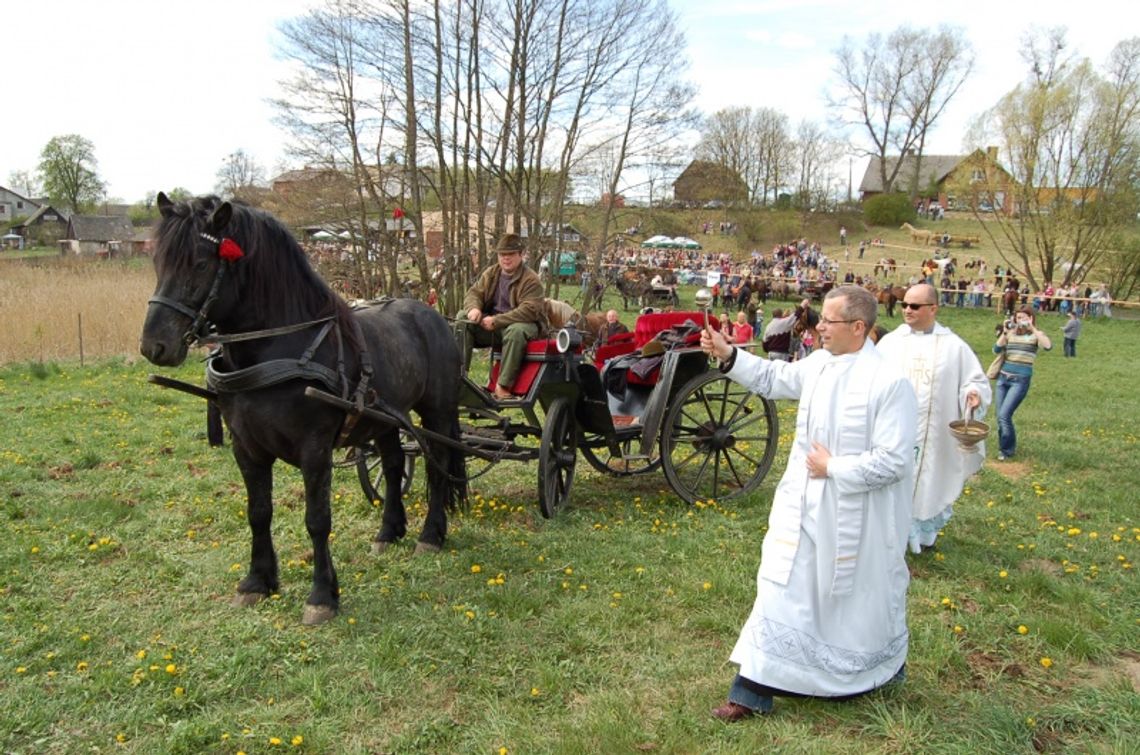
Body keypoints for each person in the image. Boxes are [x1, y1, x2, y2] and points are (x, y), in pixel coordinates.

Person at [701, 285, 917, 722]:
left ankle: (875, 669)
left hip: (855, 515)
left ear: (858, 327)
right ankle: (752, 691)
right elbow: (772, 379)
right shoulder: (819, 364)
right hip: (801, 505)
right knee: (780, 588)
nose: (819, 327)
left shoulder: (890, 383)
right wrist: (729, 354)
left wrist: (835, 468)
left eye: (829, 321)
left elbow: (894, 460)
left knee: (860, 599)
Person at [876, 284, 991, 553]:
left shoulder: (954, 347)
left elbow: (974, 380)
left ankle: (923, 537)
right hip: (894, 430)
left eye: (914, 306)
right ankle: (889, 536)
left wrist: (972, 395)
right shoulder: (891, 342)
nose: (906, 310)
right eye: (904, 304)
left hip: (933, 434)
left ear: (933, 309)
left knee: (928, 480)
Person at [460, 233, 547, 400]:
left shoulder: (531, 279)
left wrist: (497, 320)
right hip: (493, 326)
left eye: (511, 254)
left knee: (516, 331)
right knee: (463, 318)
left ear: (521, 255)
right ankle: (459, 376)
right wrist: (474, 309)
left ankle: (503, 386)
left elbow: (529, 310)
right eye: (502, 255)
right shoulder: (491, 273)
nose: (506, 259)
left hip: (525, 324)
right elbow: (474, 293)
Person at [992, 306, 1052, 460]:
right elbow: (996, 349)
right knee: (1000, 416)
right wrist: (1005, 332)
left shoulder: (1035, 336)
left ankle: (1006, 450)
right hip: (1003, 379)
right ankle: (1004, 446)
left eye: (1025, 317)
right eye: (1018, 318)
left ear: (1031, 318)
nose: (1021, 320)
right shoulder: (1011, 333)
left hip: (1020, 380)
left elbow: (1048, 346)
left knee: (1005, 415)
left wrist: (1033, 328)